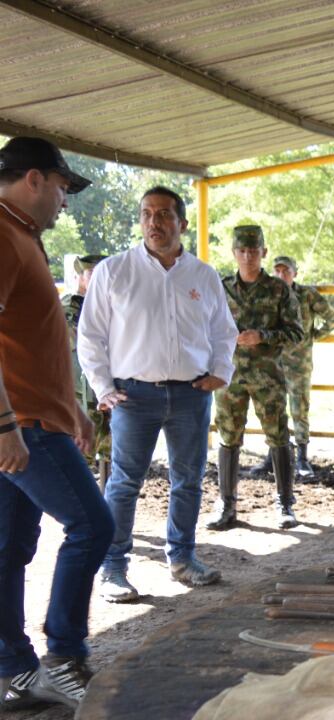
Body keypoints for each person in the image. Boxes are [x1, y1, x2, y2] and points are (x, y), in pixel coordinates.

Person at [79, 186, 237, 603]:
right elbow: (90, 335)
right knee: (124, 482)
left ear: (182, 224)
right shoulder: (114, 272)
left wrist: (221, 371)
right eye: (147, 214)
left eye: (164, 214)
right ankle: (113, 568)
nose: (154, 222)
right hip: (133, 397)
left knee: (188, 480)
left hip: (192, 394)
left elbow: (224, 331)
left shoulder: (202, 275)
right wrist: (103, 387)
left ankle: (183, 559)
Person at [0, 136, 114, 710]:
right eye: (64, 188)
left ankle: (13, 674)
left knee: (9, 548)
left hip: (35, 418)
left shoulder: (22, 236)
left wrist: (73, 410)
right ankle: (64, 655)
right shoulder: (0, 233)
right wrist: (4, 426)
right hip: (20, 423)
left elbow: (33, 342)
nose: (65, 202)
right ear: (35, 179)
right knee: (93, 524)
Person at [206, 226, 304, 531]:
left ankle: (285, 503)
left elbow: (297, 333)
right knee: (228, 438)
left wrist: (262, 336)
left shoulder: (278, 289)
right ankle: (226, 504)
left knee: (278, 436)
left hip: (267, 377)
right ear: (234, 253)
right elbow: (202, 327)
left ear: (263, 251)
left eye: (253, 251)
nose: (248, 256)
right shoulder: (220, 288)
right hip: (228, 377)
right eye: (242, 251)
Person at [245, 256, 334, 478]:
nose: (280, 275)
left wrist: (312, 336)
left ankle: (302, 459)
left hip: (299, 364)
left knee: (299, 409)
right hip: (273, 362)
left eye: (285, 271)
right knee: (273, 410)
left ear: (295, 273)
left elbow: (332, 318)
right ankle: (272, 457)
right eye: (276, 270)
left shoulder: (306, 295)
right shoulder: (269, 294)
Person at [62, 253, 111, 488]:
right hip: (81, 394)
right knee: (82, 453)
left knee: (113, 452)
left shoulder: (114, 307)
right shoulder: (68, 308)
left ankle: (109, 508)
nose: (98, 280)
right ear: (80, 278)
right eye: (92, 274)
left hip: (111, 389)